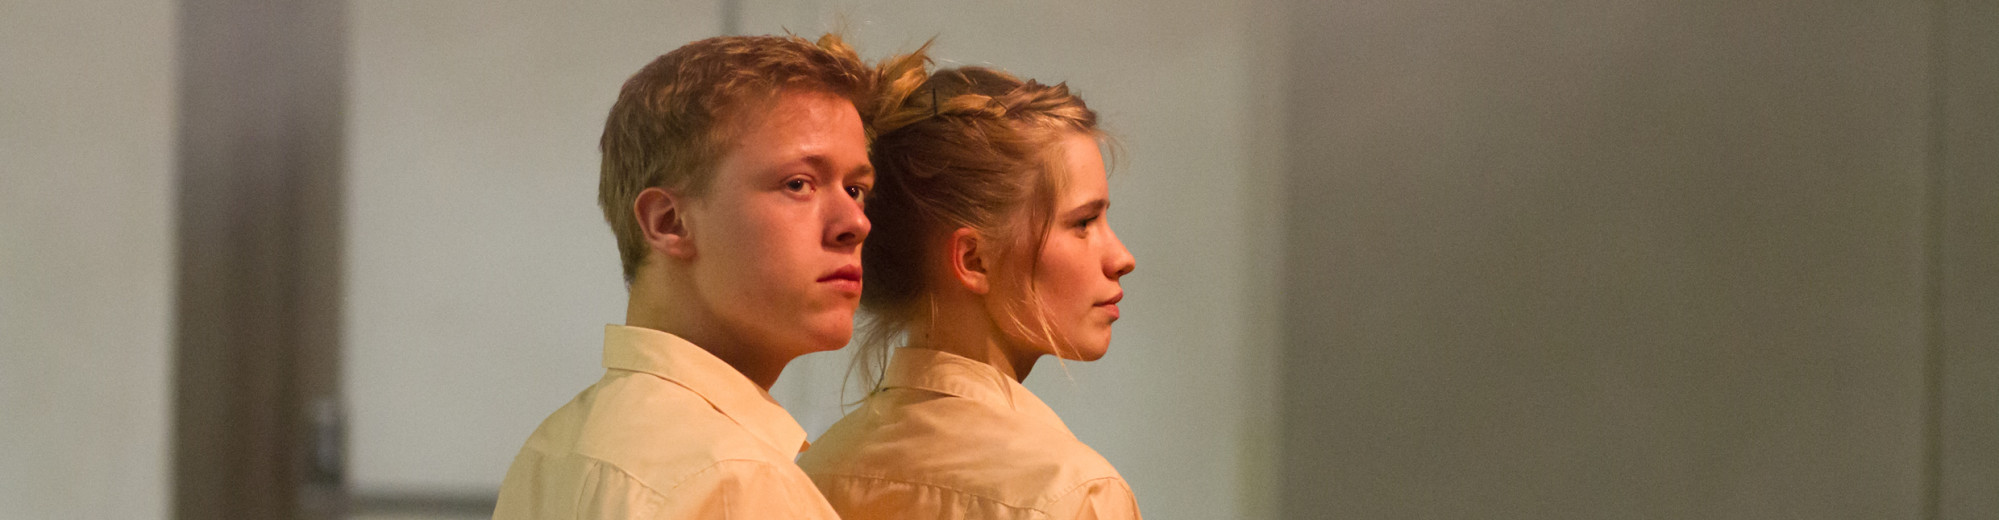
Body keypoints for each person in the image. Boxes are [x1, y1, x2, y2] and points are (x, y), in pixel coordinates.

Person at [493, 34, 879, 519]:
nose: (856, 223)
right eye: (798, 183)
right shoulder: (738, 481)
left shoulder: (552, 452)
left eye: (856, 189)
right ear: (669, 222)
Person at [797, 59, 1142, 519]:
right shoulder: (1073, 494)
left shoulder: (811, 474)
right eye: (1083, 223)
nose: (1122, 258)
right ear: (974, 259)